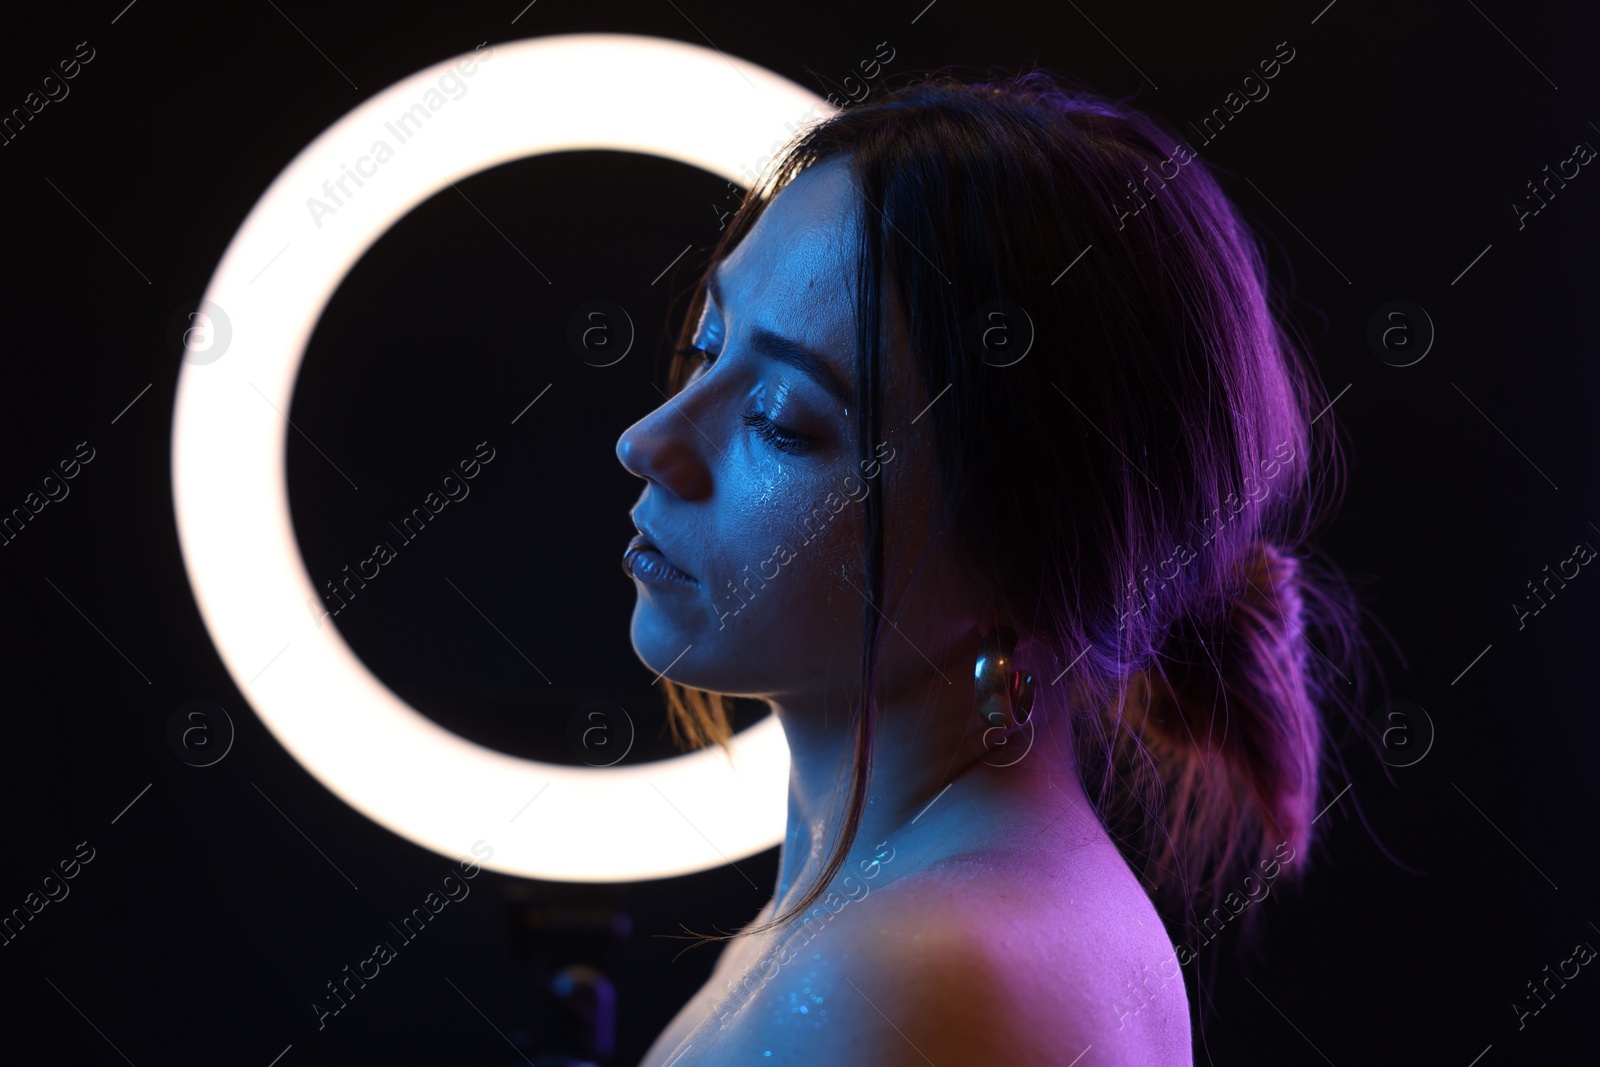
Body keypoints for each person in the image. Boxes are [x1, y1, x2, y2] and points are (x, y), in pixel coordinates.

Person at [615, 67, 1362, 1066]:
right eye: (707, 345)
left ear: (1020, 559)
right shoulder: (900, 906)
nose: (651, 438)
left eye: (781, 421)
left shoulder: (920, 971)